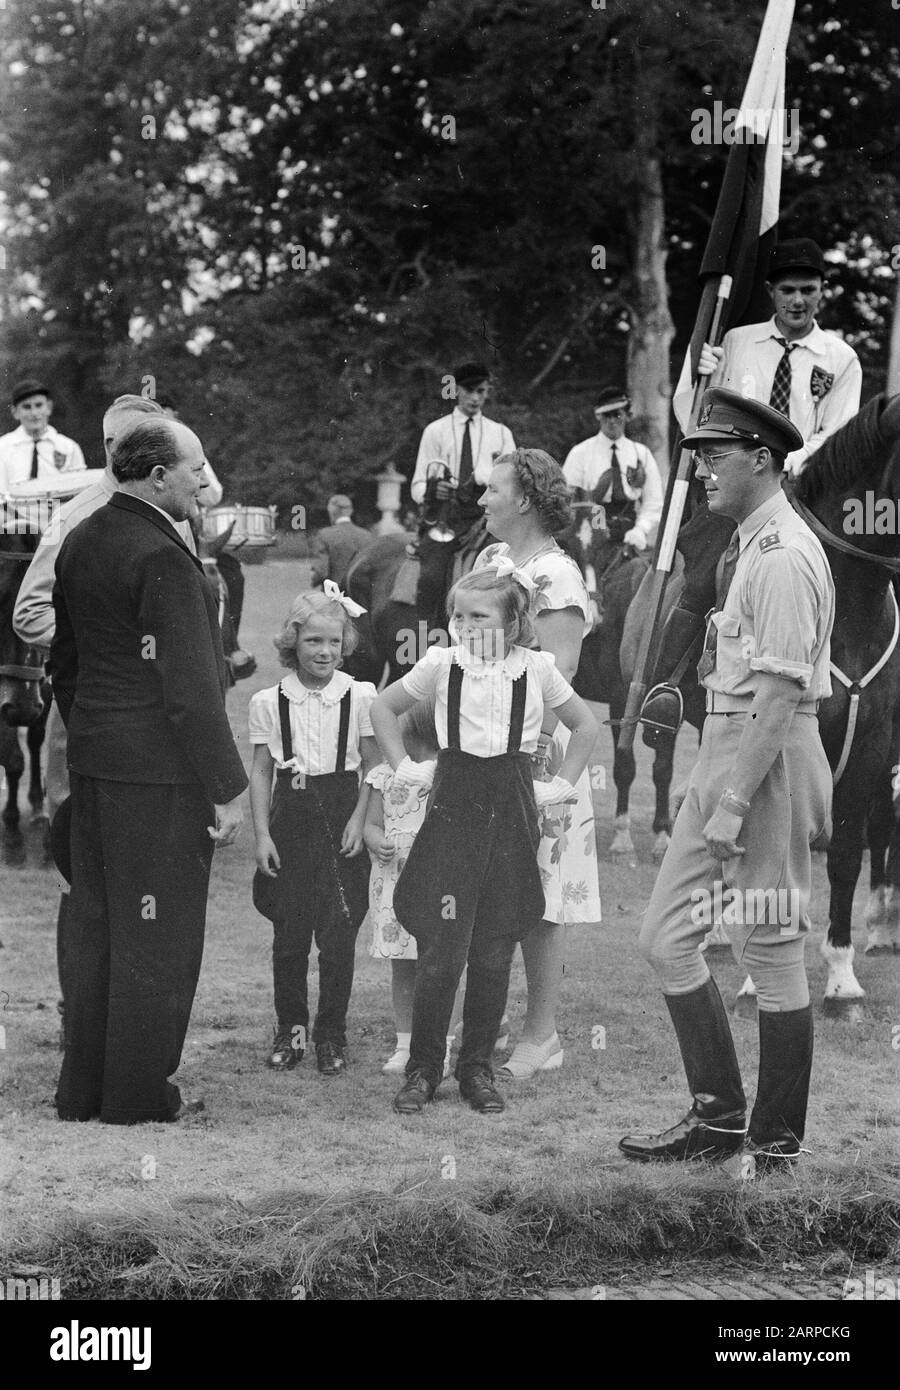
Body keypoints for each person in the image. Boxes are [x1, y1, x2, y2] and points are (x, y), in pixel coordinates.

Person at [619, 389, 834, 1169]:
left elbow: (779, 694)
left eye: (715, 456)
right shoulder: (747, 542)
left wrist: (734, 798)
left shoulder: (782, 556)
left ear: (763, 460)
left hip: (765, 766)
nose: (702, 469)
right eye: (700, 455)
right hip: (728, 750)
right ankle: (718, 1122)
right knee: (665, 937)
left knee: (771, 948)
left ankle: (776, 1149)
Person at [49, 416, 247, 1124]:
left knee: (98, 924)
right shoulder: (164, 557)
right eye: (195, 468)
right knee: (158, 935)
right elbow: (193, 691)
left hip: (98, 766)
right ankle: (135, 1097)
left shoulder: (82, 539)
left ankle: (84, 1092)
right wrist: (229, 787)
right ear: (157, 475)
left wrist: (99, 734)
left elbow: (63, 667)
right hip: (159, 778)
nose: (203, 479)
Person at [371, 563, 598, 1115]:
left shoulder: (538, 670)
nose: (464, 624)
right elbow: (382, 707)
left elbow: (586, 726)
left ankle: (476, 1069)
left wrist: (560, 787)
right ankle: (424, 1069)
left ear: (514, 620)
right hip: (453, 808)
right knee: (441, 950)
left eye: (479, 616)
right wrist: (406, 768)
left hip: (512, 809)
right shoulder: (441, 665)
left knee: (495, 949)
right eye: (457, 614)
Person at [477, 448, 602, 1077]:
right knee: (488, 887)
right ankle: (488, 1019)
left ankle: (542, 1034)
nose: (481, 500)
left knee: (541, 897)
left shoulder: (558, 576)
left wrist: (530, 763)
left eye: (492, 489)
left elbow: (562, 673)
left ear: (524, 498)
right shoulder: (490, 563)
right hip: (478, 751)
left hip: (538, 759)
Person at [249, 585, 378, 1076]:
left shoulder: (361, 696)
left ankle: (331, 1034)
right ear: (293, 642)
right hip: (292, 820)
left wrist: (360, 819)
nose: (323, 652)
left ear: (344, 644)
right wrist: (263, 835)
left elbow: (372, 766)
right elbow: (262, 771)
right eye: (312, 642)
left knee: (338, 936)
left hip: (343, 813)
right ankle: (292, 1030)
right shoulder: (269, 700)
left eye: (333, 642)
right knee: (290, 938)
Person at [677, 239, 862, 478]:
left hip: (802, 481)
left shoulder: (841, 358)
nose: (797, 301)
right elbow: (704, 414)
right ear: (769, 290)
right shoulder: (736, 342)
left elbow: (837, 434)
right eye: (787, 290)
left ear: (822, 289)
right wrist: (694, 374)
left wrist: (784, 462)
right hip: (736, 477)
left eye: (807, 290)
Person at [363, 699, 467, 1076]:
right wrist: (376, 841)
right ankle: (405, 1043)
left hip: (439, 883)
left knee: (443, 964)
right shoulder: (384, 775)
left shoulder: (449, 774)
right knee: (404, 965)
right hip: (395, 883)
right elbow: (371, 825)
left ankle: (441, 1043)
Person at [410, 362, 515, 627]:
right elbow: (416, 486)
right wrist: (433, 491)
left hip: (488, 517)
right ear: (455, 390)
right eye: (469, 391)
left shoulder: (501, 434)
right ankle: (429, 636)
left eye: (481, 391)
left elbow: (514, 483)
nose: (475, 398)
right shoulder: (436, 431)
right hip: (447, 516)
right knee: (432, 577)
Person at [562, 386, 664, 580]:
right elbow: (568, 499)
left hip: (628, 533)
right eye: (605, 416)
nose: (611, 422)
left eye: (616, 415)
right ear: (598, 417)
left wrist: (640, 530)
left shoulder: (641, 453)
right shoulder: (580, 453)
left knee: (646, 575)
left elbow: (654, 502)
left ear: (627, 415)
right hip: (590, 533)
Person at [0, 378, 86, 492]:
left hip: (59, 508)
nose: (34, 413)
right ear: (15, 412)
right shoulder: (3, 447)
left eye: (39, 405)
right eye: (26, 407)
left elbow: (80, 491)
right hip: (13, 509)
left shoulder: (68, 447)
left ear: (49, 407)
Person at [309, 495, 372, 589]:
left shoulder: (324, 535)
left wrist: (313, 580)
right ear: (350, 511)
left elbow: (321, 572)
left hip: (334, 596)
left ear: (332, 512)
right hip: (360, 597)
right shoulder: (367, 536)